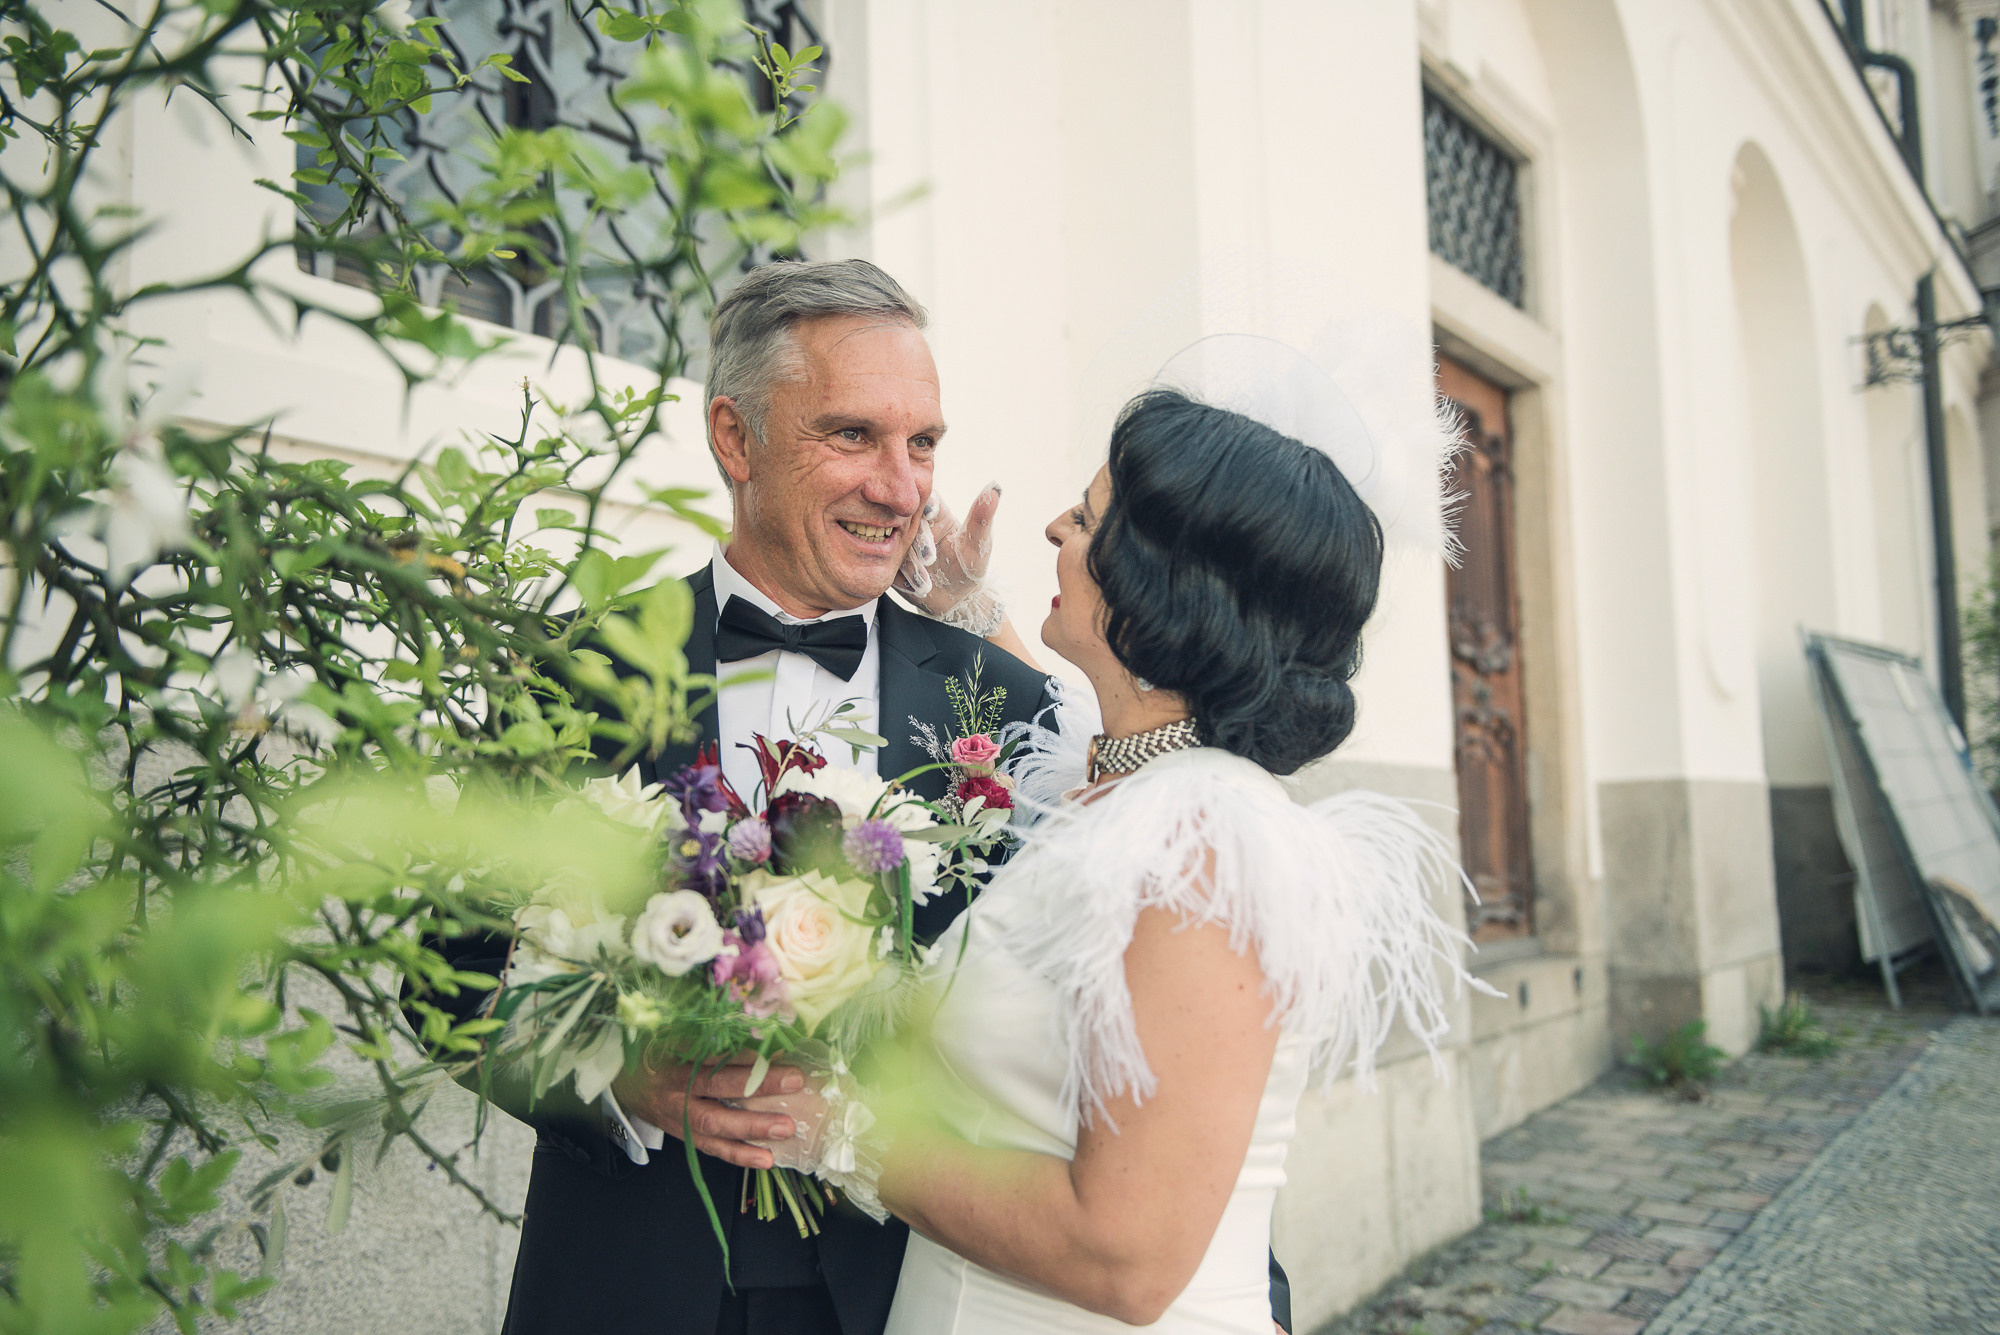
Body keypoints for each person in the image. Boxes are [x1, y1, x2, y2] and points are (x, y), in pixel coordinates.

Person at [408, 261, 1300, 1334]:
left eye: (922, 443)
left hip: (912, 1289)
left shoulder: (1006, 703)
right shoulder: (571, 675)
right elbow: (442, 985)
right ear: (734, 439)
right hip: (625, 1283)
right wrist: (621, 1081)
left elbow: (1153, 1021)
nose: (900, 487)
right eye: (851, 436)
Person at [739, 383, 1480, 1333]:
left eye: (1088, 517)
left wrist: (838, 1128)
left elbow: (1126, 1258)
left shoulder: (1208, 849)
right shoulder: (1136, 785)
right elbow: (1080, 721)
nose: (1053, 526)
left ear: (1162, 579)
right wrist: (965, 604)